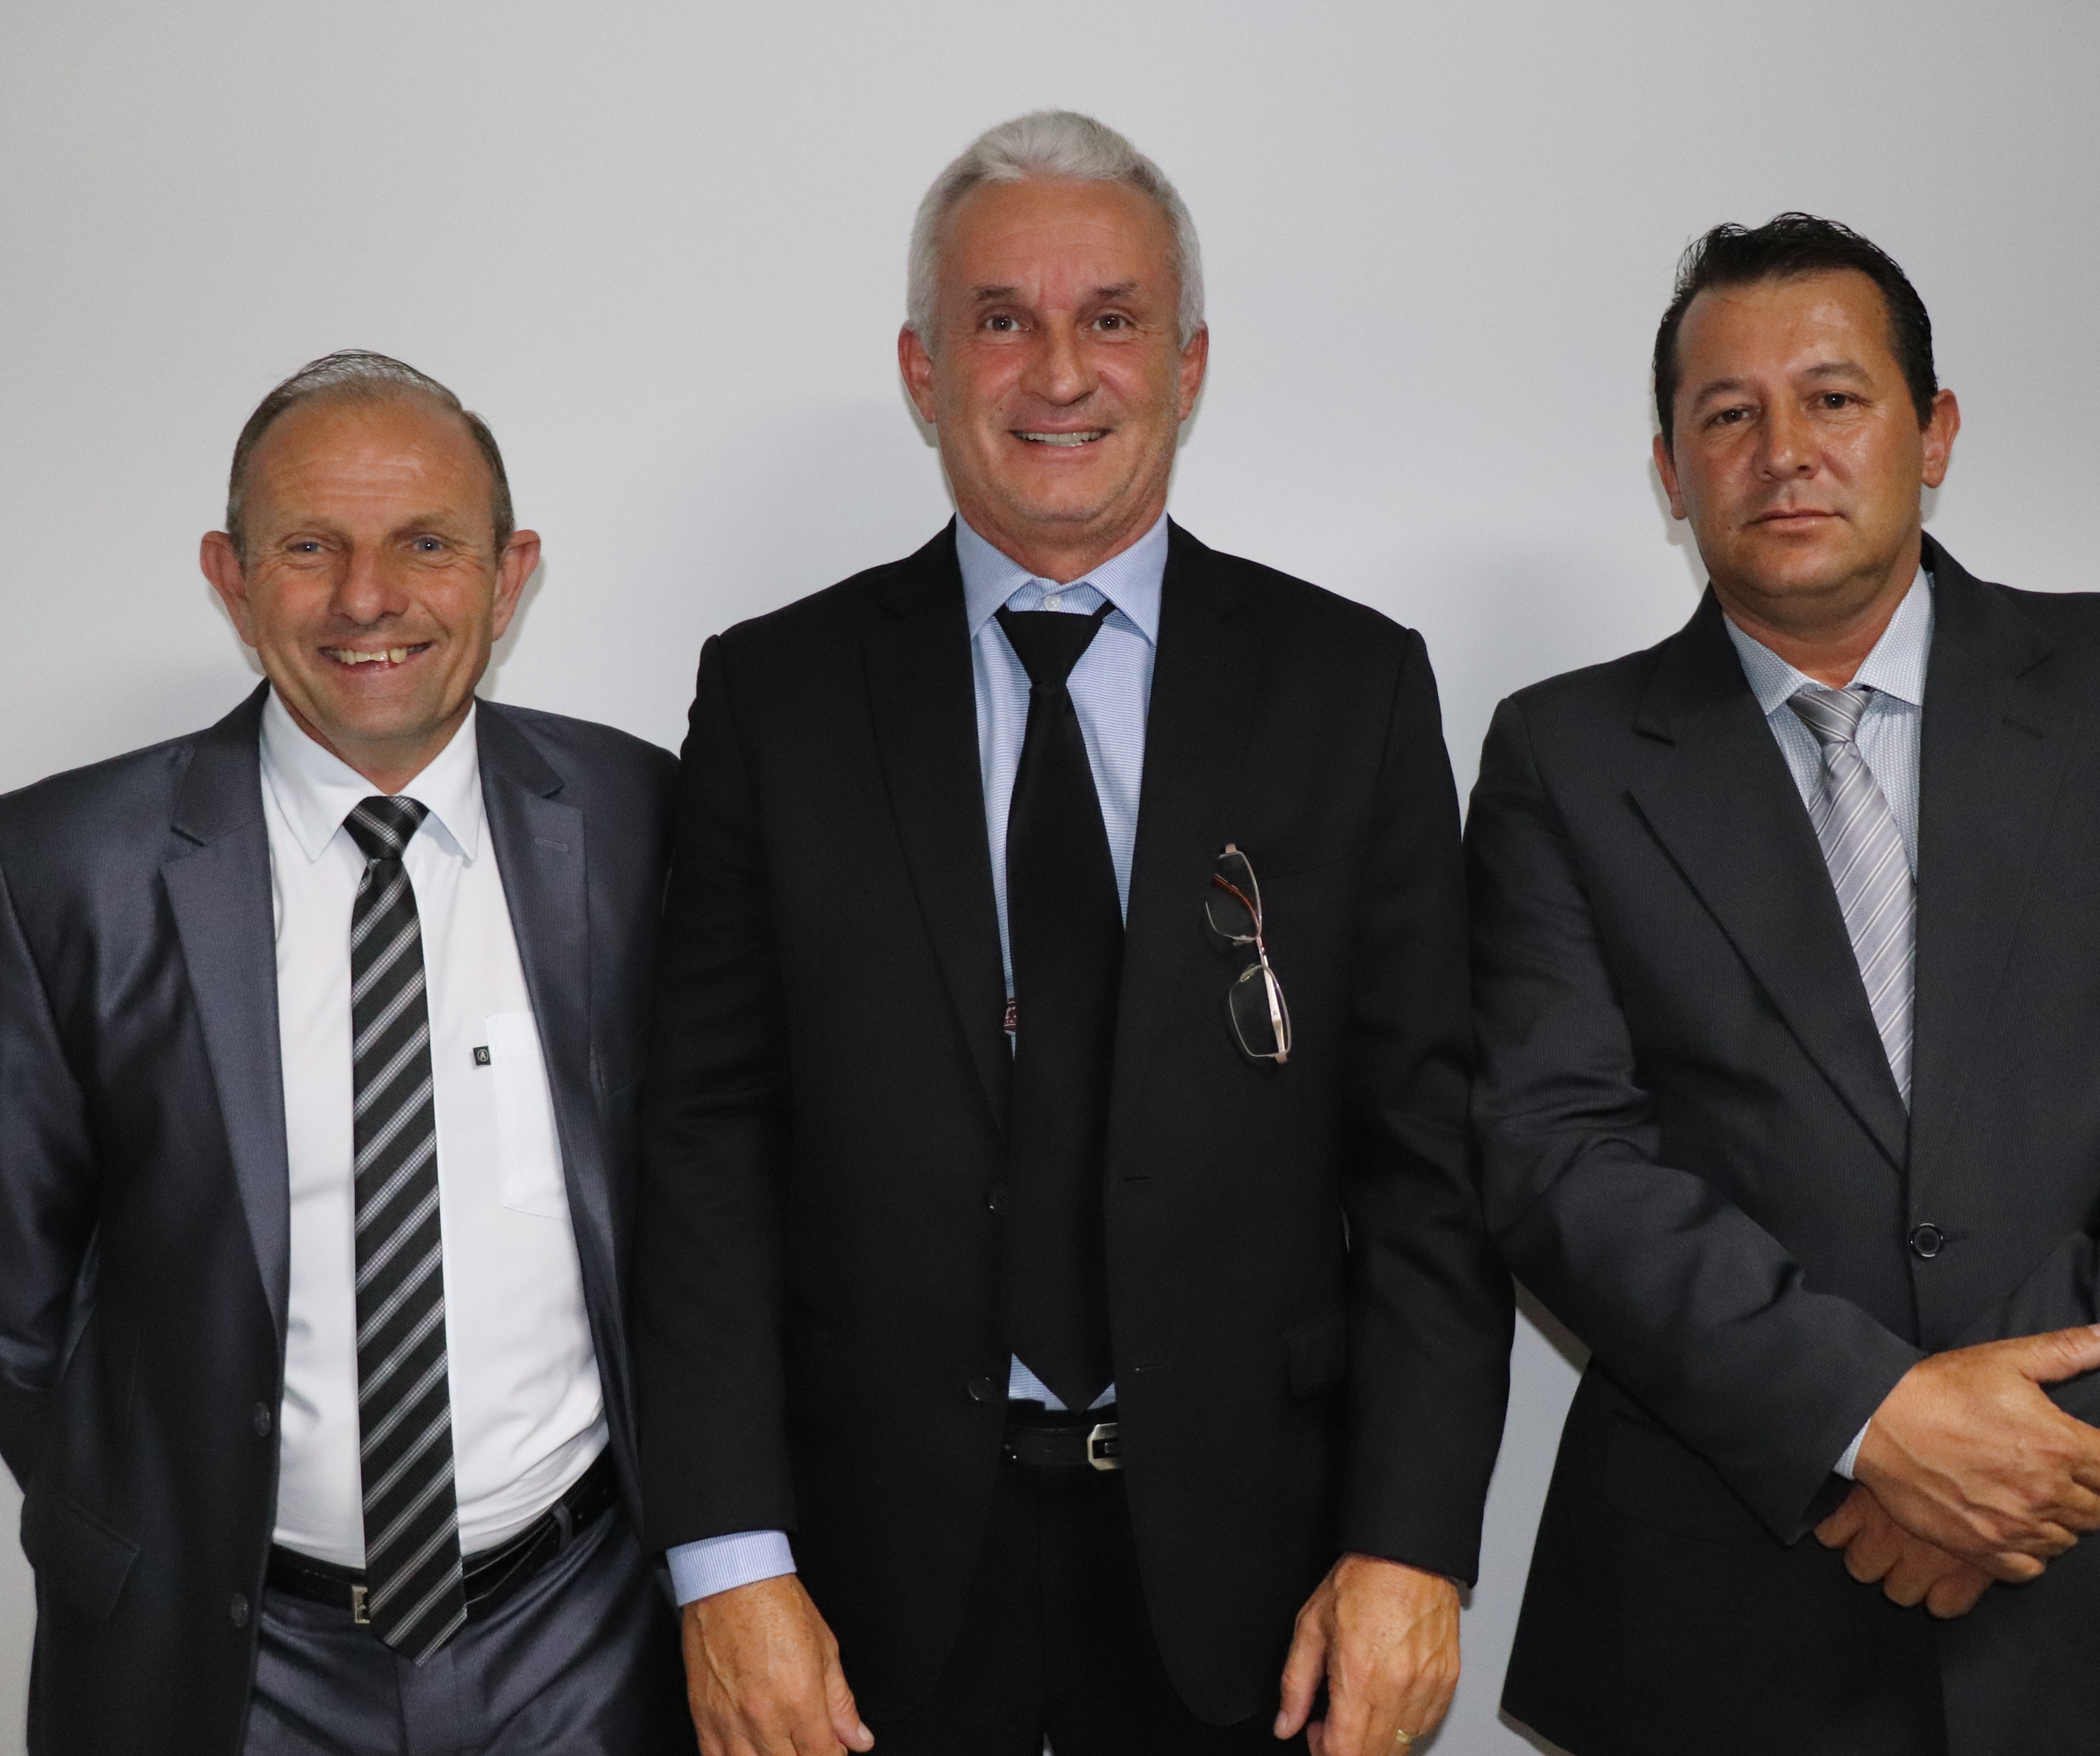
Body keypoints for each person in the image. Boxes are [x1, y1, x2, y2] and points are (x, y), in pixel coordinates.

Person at [634, 111, 1512, 1756]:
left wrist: (1412, 1545)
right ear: (922, 370)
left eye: (1111, 318)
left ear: (1187, 364)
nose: (1058, 372)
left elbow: (1426, 1165)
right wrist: (727, 1564)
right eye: (1000, 320)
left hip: (1259, 1583)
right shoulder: (778, 697)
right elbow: (704, 1152)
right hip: (855, 1593)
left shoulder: (1351, 691)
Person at [1466, 215, 2100, 1755]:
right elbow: (1554, 1152)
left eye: (1834, 398)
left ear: (1932, 432)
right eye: (1726, 416)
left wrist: (2020, 1447)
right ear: (1670, 473)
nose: (1783, 453)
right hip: (1725, 1605)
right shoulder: (1564, 756)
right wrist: (1869, 1422)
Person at [0, 351, 689, 1753]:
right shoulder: (62, 868)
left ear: (510, 575)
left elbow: (717, 1210)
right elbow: (1, 1286)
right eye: (309, 548)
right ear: (230, 578)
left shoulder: (644, 819)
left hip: (582, 1632)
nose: (368, 599)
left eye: (428, 545)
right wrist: (153, 1523)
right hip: (230, 1664)